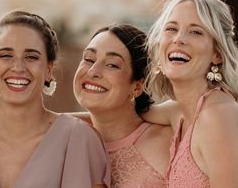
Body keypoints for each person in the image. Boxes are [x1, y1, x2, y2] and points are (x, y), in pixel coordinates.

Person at [0, 10, 110, 188]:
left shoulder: (80, 140)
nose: (18, 67)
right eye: (6, 55)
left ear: (49, 69)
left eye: (31, 57)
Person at [143, 0, 238, 187]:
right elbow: (122, 116)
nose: (178, 39)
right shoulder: (181, 110)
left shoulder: (218, 115)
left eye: (196, 31)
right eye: (171, 29)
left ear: (217, 54)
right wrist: (62, 119)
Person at [73, 24, 172, 187]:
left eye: (112, 64)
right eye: (89, 59)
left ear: (137, 86)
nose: (92, 71)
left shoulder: (167, 141)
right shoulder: (68, 141)